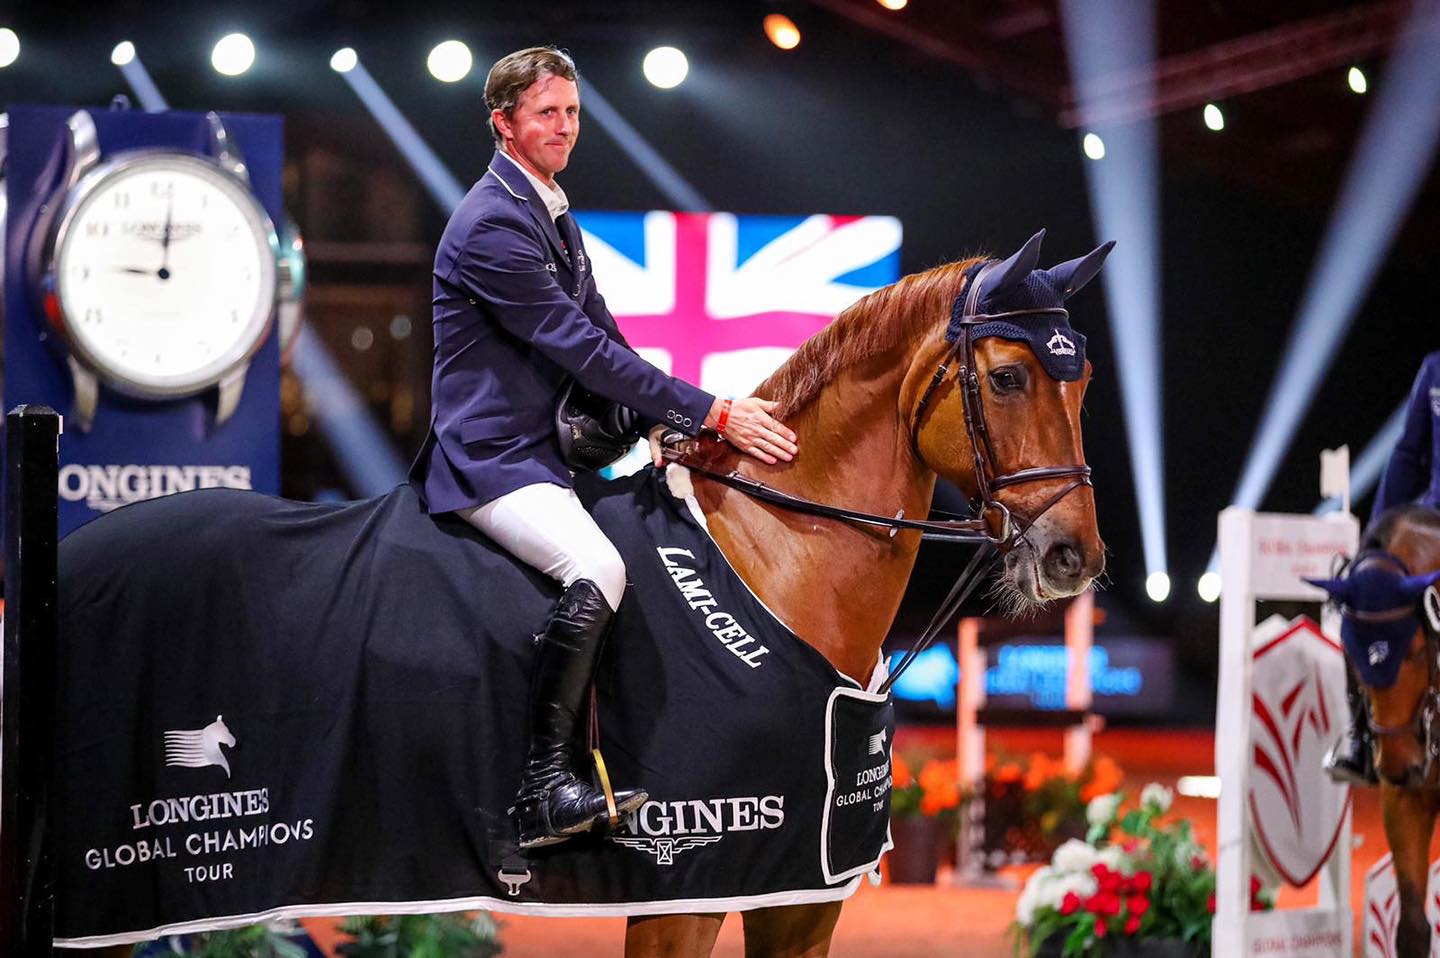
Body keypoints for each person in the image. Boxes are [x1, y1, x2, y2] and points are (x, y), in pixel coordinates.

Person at [409, 46, 798, 850]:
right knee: (600, 567)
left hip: (545, 451)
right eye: (546, 113)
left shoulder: (548, 207)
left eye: (573, 113)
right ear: (503, 123)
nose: (564, 127)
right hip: (493, 459)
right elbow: (580, 351)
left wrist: (663, 425)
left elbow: (606, 335)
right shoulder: (491, 223)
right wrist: (714, 412)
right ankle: (542, 788)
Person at [1326, 351, 1440, 784]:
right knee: (1364, 594)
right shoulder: (1433, 367)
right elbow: (1408, 453)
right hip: (1433, 518)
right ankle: (1359, 735)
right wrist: (1374, 539)